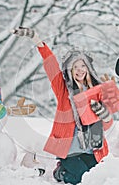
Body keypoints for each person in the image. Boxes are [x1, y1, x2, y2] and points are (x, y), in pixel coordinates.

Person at [12, 27, 113, 184]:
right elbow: (51, 65)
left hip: (92, 149)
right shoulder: (63, 89)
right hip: (70, 150)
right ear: (70, 70)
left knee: (96, 178)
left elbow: (106, 125)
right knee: (79, 179)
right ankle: (60, 172)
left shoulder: (97, 91)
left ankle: (68, 170)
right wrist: (37, 40)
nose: (79, 70)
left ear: (88, 68)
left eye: (83, 66)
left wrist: (104, 114)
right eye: (75, 67)